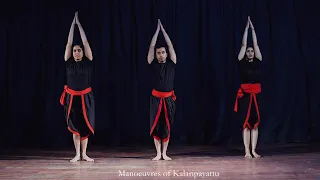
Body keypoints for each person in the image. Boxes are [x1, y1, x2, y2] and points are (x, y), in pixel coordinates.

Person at [60, 12, 95, 162]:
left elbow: (86, 43)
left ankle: (84, 154)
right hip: (72, 98)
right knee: (75, 127)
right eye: (75, 50)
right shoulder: (68, 62)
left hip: (85, 97)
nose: (76, 52)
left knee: (85, 127)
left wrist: (79, 25)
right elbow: (68, 43)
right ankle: (77, 154)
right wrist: (71, 26)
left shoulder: (88, 61)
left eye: (78, 50)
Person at [148, 19, 177, 161]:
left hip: (168, 99)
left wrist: (163, 31)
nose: (160, 54)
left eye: (162, 52)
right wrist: (156, 32)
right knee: (156, 125)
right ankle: (158, 153)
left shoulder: (172, 64)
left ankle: (164, 153)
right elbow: (152, 46)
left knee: (166, 125)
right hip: (155, 99)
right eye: (158, 53)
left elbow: (171, 46)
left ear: (166, 54)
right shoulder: (152, 64)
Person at [234, 16, 263, 158]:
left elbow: (256, 44)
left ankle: (254, 150)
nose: (250, 52)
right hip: (245, 95)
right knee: (246, 124)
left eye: (252, 51)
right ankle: (247, 151)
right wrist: (246, 29)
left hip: (256, 95)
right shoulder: (241, 62)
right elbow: (244, 45)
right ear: (245, 53)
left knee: (255, 124)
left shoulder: (258, 61)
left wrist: (253, 30)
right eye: (248, 51)